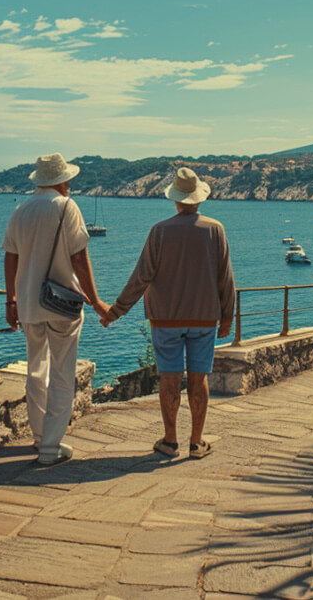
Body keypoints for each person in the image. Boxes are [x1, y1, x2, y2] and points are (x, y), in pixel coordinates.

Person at [101, 167, 234, 459]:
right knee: (199, 380)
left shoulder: (160, 231)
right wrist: (227, 317)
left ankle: (170, 441)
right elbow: (225, 278)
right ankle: (197, 443)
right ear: (199, 198)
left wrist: (116, 311)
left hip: (165, 319)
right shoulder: (215, 229)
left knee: (169, 380)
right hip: (204, 318)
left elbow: (141, 277)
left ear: (175, 199)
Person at [3, 153, 112, 465]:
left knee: (36, 369)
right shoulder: (67, 207)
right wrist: (95, 300)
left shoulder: (21, 210)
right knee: (62, 373)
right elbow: (79, 257)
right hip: (61, 304)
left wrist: (10, 299)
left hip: (27, 303)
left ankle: (39, 437)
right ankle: (50, 447)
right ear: (62, 181)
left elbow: (10, 257)